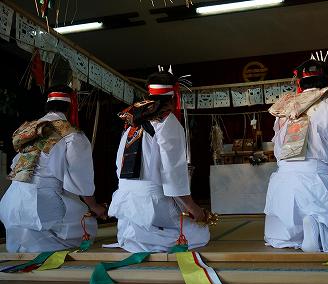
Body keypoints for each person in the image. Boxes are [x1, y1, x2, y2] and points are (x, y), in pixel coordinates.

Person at [264, 58, 328, 252]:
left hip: (281, 184)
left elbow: (277, 149)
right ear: (327, 80)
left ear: (299, 83)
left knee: (281, 238)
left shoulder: (284, 109)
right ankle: (318, 229)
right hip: (315, 181)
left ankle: (306, 231)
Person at [108, 71, 209, 253]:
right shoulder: (168, 122)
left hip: (126, 203)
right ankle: (154, 238)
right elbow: (172, 171)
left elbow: (118, 164)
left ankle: (140, 236)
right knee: (201, 231)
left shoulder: (132, 120)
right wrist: (192, 207)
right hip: (153, 204)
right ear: (173, 97)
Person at [0, 85, 104, 252]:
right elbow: (79, 176)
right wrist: (94, 206)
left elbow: (15, 165)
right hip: (40, 205)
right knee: (87, 224)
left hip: (10, 202)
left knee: (22, 243)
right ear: (71, 107)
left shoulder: (30, 129)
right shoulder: (72, 135)